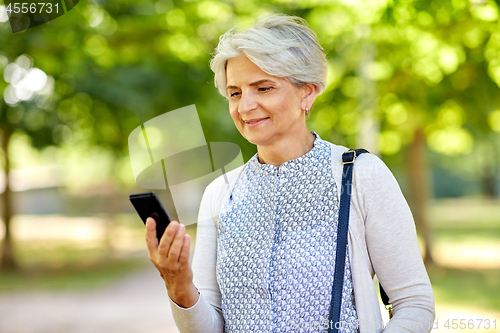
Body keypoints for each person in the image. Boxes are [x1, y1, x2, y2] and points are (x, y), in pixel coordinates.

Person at [145, 14, 435, 333]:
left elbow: (414, 304)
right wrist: (180, 288)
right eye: (235, 93)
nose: (245, 107)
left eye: (263, 88)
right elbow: (208, 327)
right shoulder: (220, 192)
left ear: (307, 93)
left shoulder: (360, 175)